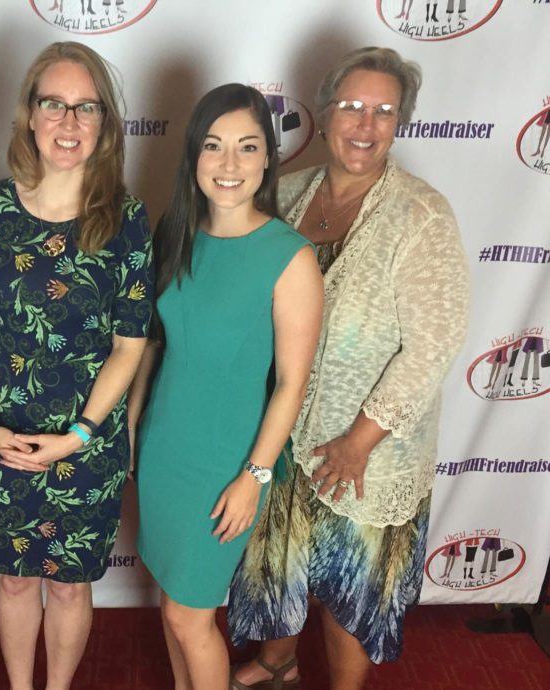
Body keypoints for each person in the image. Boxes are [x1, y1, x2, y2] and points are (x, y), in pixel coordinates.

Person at [227, 47, 470, 690]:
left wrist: (361, 441)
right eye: (353, 107)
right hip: (282, 429)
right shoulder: (286, 192)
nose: (367, 125)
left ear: (400, 124)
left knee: (348, 586)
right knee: (280, 559)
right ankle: (278, 662)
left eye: (385, 111)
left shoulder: (421, 214)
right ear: (325, 112)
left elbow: (434, 345)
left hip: (370, 450)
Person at [0, 42, 153, 690]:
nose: (68, 122)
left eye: (85, 107)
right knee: (13, 580)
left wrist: (82, 435)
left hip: (87, 446)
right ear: (29, 116)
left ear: (103, 125)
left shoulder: (125, 219)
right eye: (54, 104)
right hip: (3, 438)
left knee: (68, 588)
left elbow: (130, 344)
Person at [127, 84, 323, 690]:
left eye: (247, 147)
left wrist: (254, 477)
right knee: (173, 604)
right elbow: (154, 346)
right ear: (194, 158)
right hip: (164, 450)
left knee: (191, 616)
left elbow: (291, 384)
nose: (229, 164)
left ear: (268, 159)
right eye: (213, 147)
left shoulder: (291, 257)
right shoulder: (176, 234)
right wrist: (132, 429)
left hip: (226, 463)